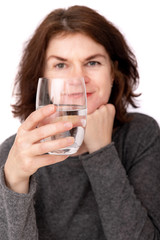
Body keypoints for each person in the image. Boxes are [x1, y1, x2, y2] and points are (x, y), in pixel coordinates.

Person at [0, 5, 160, 240]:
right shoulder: (15, 153)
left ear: (113, 73)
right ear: (40, 77)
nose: (77, 79)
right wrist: (14, 181)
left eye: (93, 62)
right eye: (61, 65)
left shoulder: (141, 136)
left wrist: (101, 152)